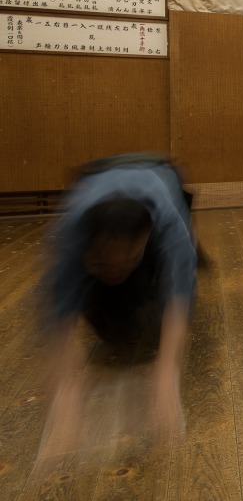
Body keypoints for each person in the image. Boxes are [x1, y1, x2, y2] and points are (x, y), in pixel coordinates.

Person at [42, 153, 197, 451]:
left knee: (152, 325)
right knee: (113, 331)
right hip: (96, 177)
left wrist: (167, 374)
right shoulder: (68, 232)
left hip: (159, 174)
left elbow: (179, 295)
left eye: (127, 261)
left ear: (147, 237)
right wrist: (65, 392)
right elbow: (56, 316)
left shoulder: (168, 222)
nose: (114, 270)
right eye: (102, 263)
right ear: (85, 246)